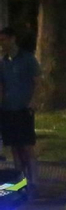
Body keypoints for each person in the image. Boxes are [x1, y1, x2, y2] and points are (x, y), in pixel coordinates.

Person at [0, 27, 41, 185]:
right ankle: (21, 181)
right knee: (14, 148)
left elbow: (37, 82)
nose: (2, 44)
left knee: (27, 146)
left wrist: (33, 101)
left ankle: (34, 180)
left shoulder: (27, 59)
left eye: (4, 40)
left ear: (12, 39)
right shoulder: (3, 62)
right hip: (8, 109)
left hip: (24, 108)